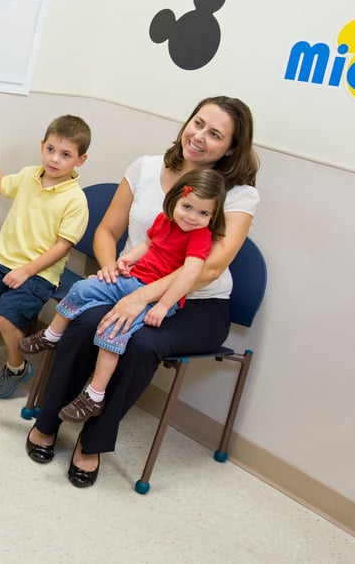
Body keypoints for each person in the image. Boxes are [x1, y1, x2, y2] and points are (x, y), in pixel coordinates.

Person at [24, 96, 260, 490]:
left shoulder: (237, 194)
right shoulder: (147, 168)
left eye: (215, 134)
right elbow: (106, 232)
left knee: (139, 344)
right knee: (84, 323)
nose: (199, 137)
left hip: (198, 304)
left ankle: (92, 444)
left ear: (231, 148)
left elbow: (209, 268)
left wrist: (140, 297)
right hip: (133, 282)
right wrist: (110, 272)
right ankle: (48, 420)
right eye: (198, 123)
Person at [19, 168, 227, 423]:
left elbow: (189, 274)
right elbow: (148, 245)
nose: (193, 217)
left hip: (154, 296)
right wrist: (128, 259)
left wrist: (163, 305)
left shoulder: (199, 237)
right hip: (131, 279)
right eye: (187, 207)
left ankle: (94, 395)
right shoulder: (164, 219)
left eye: (204, 213)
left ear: (213, 216)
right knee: (82, 289)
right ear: (175, 200)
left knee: (114, 331)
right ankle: (52, 335)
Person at [0, 115, 92, 399]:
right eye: (50, 149)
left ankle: (16, 368)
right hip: (2, 261)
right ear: (42, 145)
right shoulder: (28, 176)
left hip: (38, 274)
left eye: (65, 155)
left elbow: (62, 246)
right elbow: (1, 184)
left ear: (80, 160)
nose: (55, 159)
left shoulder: (75, 200)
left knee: (5, 317)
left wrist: (26, 271)